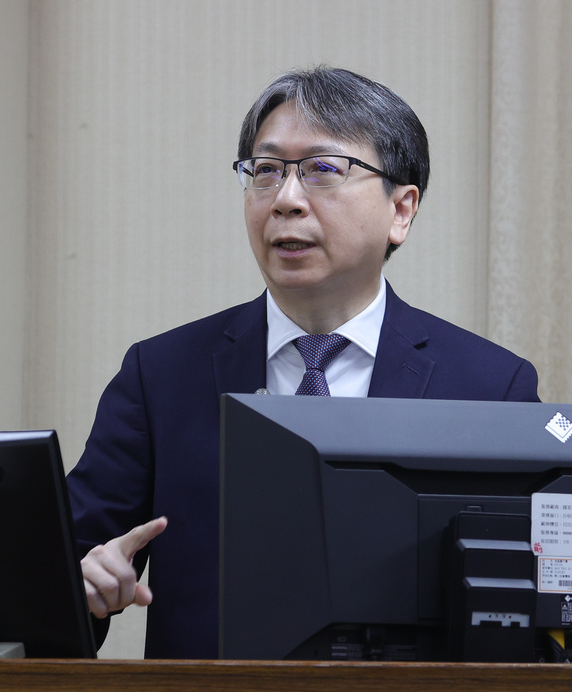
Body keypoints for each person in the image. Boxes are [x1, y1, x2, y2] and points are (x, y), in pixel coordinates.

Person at [66, 66, 540, 660]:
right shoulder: (160, 376)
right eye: (265, 172)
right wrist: (84, 586)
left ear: (402, 209)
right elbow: (60, 582)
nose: (286, 200)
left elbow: (533, 608)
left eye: (323, 169)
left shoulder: (489, 385)